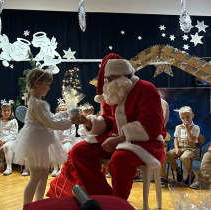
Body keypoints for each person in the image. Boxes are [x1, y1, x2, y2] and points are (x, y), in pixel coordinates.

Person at [47, 53, 166, 200]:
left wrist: (119, 139)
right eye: (107, 79)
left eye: (110, 78)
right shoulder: (113, 92)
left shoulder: (146, 89)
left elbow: (151, 126)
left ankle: (118, 202)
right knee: (79, 151)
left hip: (145, 142)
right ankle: (105, 198)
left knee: (120, 159)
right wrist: (88, 122)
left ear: (122, 75)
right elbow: (108, 121)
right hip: (118, 140)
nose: (107, 83)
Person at [13, 68, 79, 206]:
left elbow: (49, 118)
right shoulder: (37, 103)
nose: (48, 88)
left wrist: (64, 115)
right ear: (37, 83)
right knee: (35, 178)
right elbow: (51, 122)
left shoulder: (37, 102)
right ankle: (27, 207)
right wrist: (71, 121)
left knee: (43, 177)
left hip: (41, 141)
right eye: (47, 85)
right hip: (35, 142)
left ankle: (39, 204)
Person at [166, 106, 200, 185]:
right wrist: (176, 148)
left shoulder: (195, 127)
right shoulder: (178, 127)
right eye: (183, 118)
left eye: (188, 117)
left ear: (192, 116)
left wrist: (187, 129)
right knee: (168, 154)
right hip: (180, 147)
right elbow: (176, 139)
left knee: (184, 157)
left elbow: (191, 140)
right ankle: (178, 170)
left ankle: (190, 174)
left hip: (190, 148)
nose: (185, 120)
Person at [52, 102, 76, 177]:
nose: (63, 111)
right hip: (58, 140)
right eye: (61, 110)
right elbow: (54, 131)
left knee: (65, 148)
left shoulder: (71, 121)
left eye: (65, 110)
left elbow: (73, 132)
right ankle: (55, 168)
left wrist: (67, 139)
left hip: (67, 140)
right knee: (52, 148)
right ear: (58, 111)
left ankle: (62, 167)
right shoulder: (56, 121)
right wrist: (57, 140)